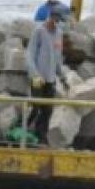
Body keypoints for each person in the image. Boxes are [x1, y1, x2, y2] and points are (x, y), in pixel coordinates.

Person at [26, 11, 64, 141]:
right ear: (49, 18)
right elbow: (30, 55)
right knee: (36, 107)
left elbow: (58, 56)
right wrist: (35, 74)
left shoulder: (59, 33)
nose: (54, 24)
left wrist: (62, 75)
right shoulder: (39, 32)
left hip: (51, 78)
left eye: (57, 21)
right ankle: (24, 128)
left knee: (48, 109)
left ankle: (41, 135)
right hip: (37, 77)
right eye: (53, 20)